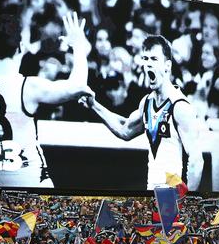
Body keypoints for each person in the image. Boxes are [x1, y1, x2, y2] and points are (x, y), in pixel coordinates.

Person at [0, 10, 93, 188]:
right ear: (20, 47)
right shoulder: (28, 87)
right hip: (32, 182)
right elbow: (79, 85)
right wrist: (79, 45)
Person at [81, 35, 203, 190]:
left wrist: (188, 203)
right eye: (145, 59)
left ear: (167, 66)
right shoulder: (147, 102)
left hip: (172, 194)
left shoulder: (180, 106)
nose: (148, 64)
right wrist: (94, 106)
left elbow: (196, 161)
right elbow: (125, 130)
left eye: (154, 59)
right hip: (151, 190)